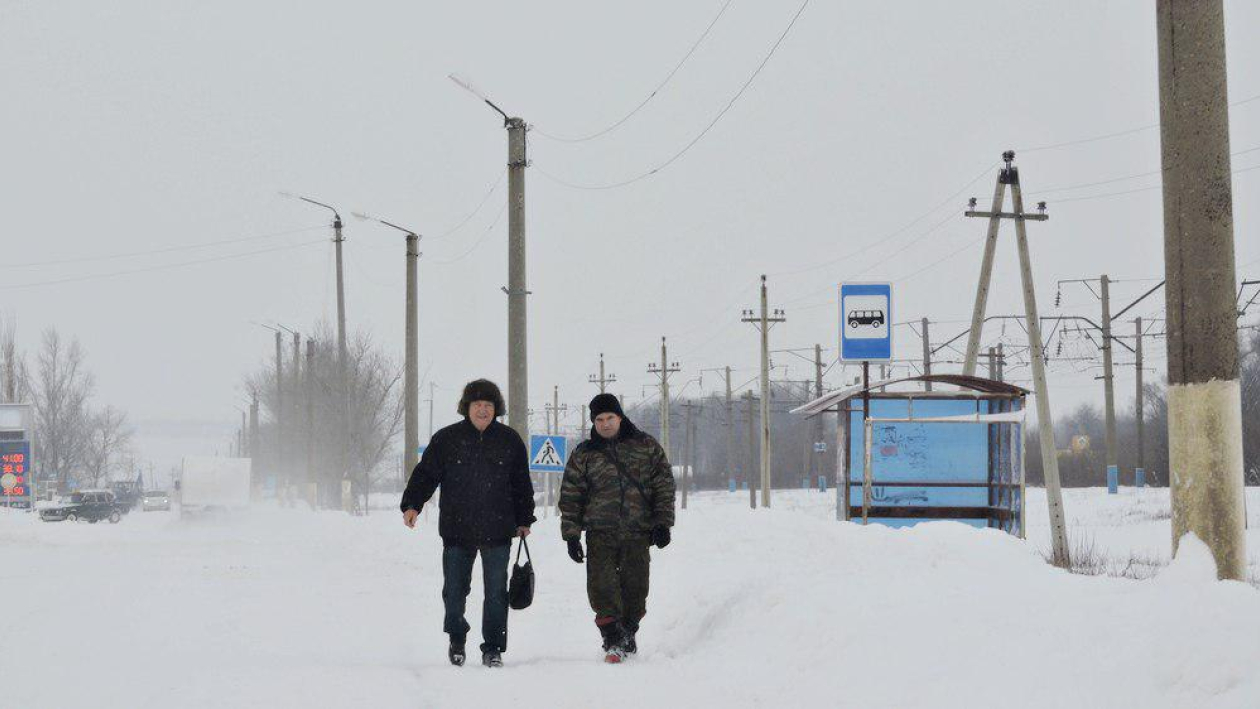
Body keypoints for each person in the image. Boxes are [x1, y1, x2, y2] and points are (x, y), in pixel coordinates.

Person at [401, 378, 535, 668]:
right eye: (477, 405)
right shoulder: (446, 439)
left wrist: (524, 519)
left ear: (495, 408)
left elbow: (521, 484)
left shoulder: (509, 440)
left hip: (498, 529)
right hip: (456, 529)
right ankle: (457, 639)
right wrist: (413, 504)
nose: (483, 410)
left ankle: (493, 648)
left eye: (488, 405)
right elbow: (426, 474)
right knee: (454, 591)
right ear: (467, 408)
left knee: (497, 592)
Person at [559, 393, 675, 663]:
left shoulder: (646, 446)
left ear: (620, 417)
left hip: (638, 532)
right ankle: (612, 639)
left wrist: (663, 523)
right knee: (602, 587)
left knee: (636, 588)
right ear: (593, 423)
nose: (605, 424)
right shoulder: (584, 454)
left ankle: (628, 631)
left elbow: (664, 485)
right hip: (600, 533)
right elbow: (570, 496)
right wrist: (571, 536)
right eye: (599, 419)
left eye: (610, 418)